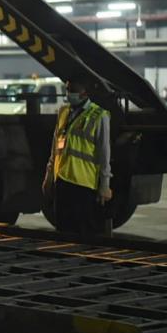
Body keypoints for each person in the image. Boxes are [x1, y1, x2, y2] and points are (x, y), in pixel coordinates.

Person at [42, 80, 112, 238]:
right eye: (67, 89)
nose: (68, 93)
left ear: (85, 93)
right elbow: (55, 149)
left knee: (85, 235)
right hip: (62, 182)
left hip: (84, 186)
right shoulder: (63, 112)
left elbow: (104, 154)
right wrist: (49, 176)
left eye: (72, 90)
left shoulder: (99, 115)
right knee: (63, 233)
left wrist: (105, 185)